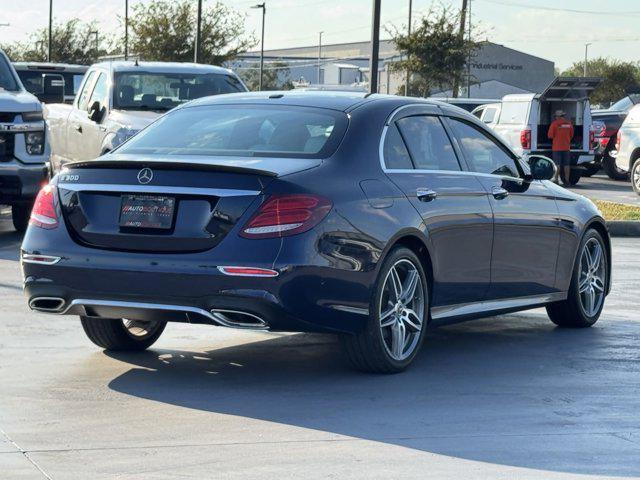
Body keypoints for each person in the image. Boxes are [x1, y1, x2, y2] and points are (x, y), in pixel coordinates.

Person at [548, 109, 574, 184]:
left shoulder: (554, 124)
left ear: (557, 117)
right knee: (566, 165)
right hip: (566, 147)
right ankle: (567, 180)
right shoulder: (569, 124)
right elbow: (571, 135)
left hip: (557, 147)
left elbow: (550, 136)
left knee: (557, 164)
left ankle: (556, 179)